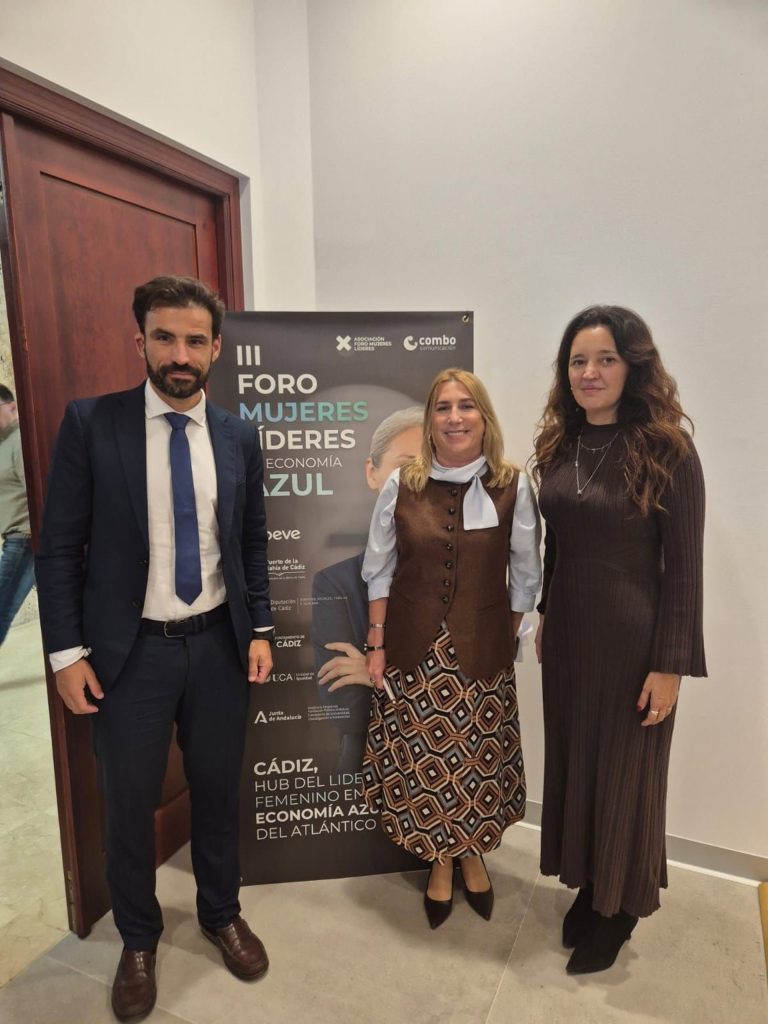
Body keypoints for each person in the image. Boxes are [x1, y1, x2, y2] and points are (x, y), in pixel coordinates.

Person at [35, 276, 275, 1022]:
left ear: (216, 348)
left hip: (218, 648)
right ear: (139, 339)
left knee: (217, 791)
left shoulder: (238, 436)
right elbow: (58, 549)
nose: (179, 354)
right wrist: (65, 654)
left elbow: (252, 544)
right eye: (164, 337)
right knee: (128, 803)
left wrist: (260, 629)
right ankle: (138, 938)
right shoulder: (92, 424)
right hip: (128, 657)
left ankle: (221, 912)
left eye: (195, 340)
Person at [532, 304, 706, 975]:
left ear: (634, 366)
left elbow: (684, 568)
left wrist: (671, 666)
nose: (590, 372)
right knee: (578, 761)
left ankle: (621, 906)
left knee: (627, 774)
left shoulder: (668, 450)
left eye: (605, 359)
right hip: (569, 635)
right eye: (578, 361)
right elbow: (556, 545)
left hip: (636, 642)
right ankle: (589, 882)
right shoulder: (561, 443)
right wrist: (546, 611)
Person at [361, 368, 541, 928]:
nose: (455, 417)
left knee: (475, 763)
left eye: (466, 406)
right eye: (443, 407)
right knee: (427, 764)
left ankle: (472, 854)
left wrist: (504, 632)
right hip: (415, 652)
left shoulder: (512, 484)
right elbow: (379, 569)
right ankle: (440, 861)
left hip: (481, 651)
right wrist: (376, 642)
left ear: (483, 417)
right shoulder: (402, 484)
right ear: (430, 420)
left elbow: (526, 572)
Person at [313, 406, 423, 772]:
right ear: (372, 473)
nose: (419, 480)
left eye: (432, 467)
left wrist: (381, 676)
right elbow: (347, 707)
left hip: (446, 757)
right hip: (366, 763)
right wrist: (428, 687)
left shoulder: (463, 571)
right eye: (406, 466)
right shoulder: (336, 583)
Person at [0, 385, 35, 645]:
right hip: (15, 539)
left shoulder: (20, 440)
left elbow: (34, 492)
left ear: (12, 407)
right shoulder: (4, 444)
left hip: (24, 540)